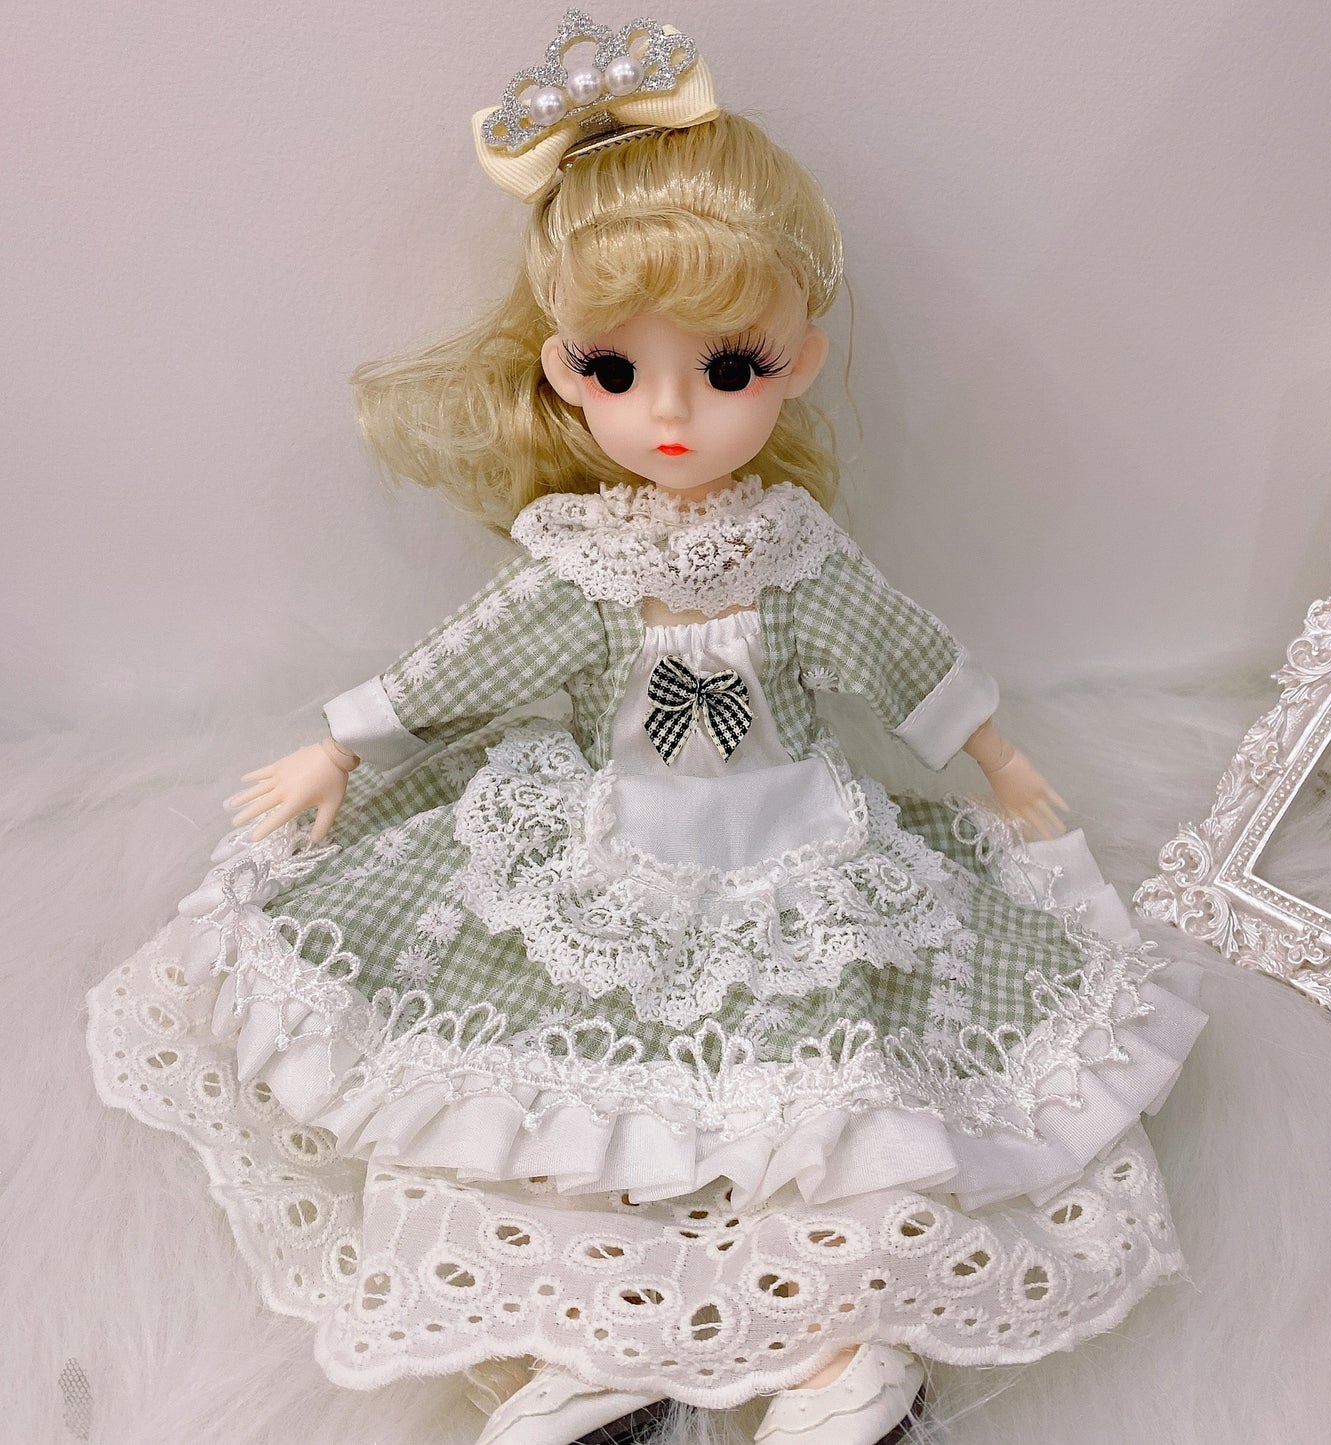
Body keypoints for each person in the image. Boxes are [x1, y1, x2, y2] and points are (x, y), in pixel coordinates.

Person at [88, 16, 1207, 1445]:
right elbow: (466, 660)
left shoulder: (796, 553)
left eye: (727, 368)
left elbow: (902, 652)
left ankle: (834, 1347)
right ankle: (591, 1329)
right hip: (610, 857)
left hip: (795, 856)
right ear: (566, 371)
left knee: (827, 1100)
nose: (670, 413)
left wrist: (1000, 759)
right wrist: (343, 742)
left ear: (796, 362)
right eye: (617, 372)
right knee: (573, 1092)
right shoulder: (584, 566)